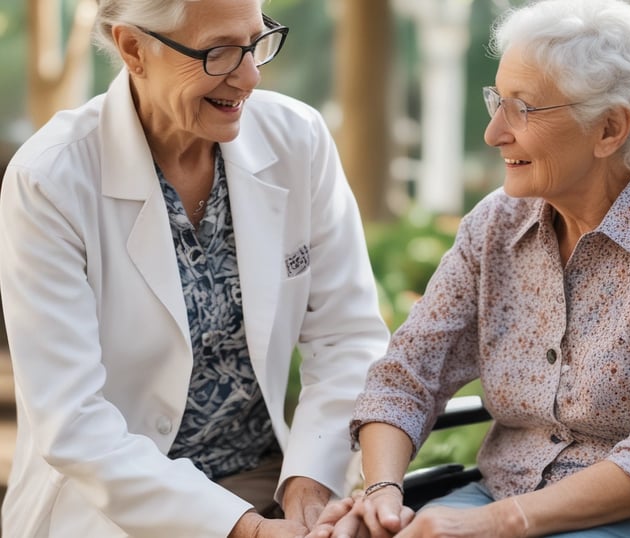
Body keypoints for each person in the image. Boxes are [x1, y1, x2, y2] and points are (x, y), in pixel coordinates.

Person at [308, 0, 630, 537]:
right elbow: (406, 377)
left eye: (522, 108)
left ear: (609, 128)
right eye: (497, 102)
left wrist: (495, 525)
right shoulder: (496, 224)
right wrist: (382, 497)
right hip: (501, 495)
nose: (493, 132)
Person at [0, 0, 389, 537]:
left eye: (255, 43)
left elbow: (348, 336)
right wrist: (247, 530)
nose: (250, 77)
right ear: (133, 48)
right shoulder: (50, 179)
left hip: (270, 481)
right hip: (110, 509)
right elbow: (73, 421)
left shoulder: (298, 139)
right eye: (219, 52)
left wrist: (309, 484)